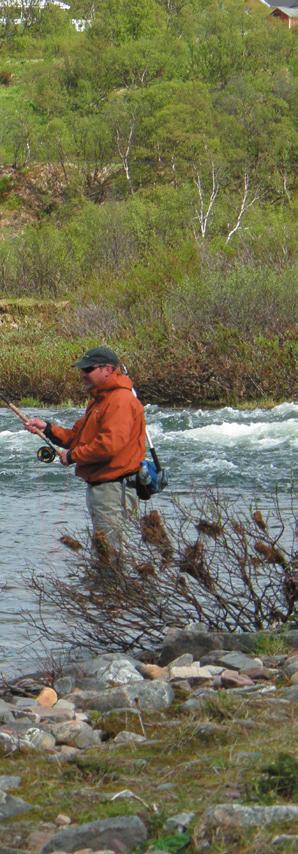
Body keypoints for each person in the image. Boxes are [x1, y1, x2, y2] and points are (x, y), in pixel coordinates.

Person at [26, 346, 146, 549]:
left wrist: (72, 456)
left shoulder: (120, 401)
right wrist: (47, 429)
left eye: (88, 369)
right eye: (82, 369)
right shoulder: (101, 401)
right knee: (106, 552)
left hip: (114, 490)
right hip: (104, 489)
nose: (82, 374)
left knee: (110, 555)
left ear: (108, 369)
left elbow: (109, 446)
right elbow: (77, 437)